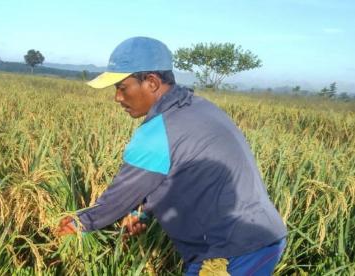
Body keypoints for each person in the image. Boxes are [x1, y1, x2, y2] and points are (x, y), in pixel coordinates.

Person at [56, 36, 287, 275]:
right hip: (265, 238)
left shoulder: (156, 134)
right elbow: (185, 175)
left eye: (122, 88)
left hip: (230, 253)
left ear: (152, 82)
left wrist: (78, 223)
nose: (117, 97)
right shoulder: (201, 107)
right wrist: (142, 212)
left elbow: (117, 199)